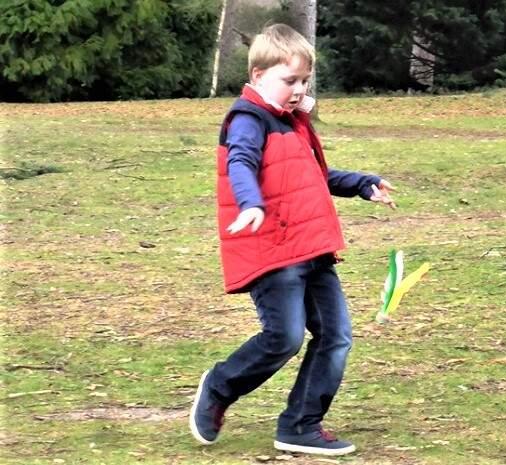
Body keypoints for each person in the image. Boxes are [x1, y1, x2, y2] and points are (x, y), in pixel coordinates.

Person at [189, 23, 395, 456]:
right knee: (283, 337)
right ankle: (220, 386)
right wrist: (250, 202)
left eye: (304, 81)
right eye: (289, 80)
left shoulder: (293, 124)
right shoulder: (248, 120)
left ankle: (300, 425)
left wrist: (361, 184)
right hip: (273, 249)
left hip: (313, 248)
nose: (299, 90)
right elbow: (241, 162)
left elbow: (314, 179)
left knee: (336, 335)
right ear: (258, 75)